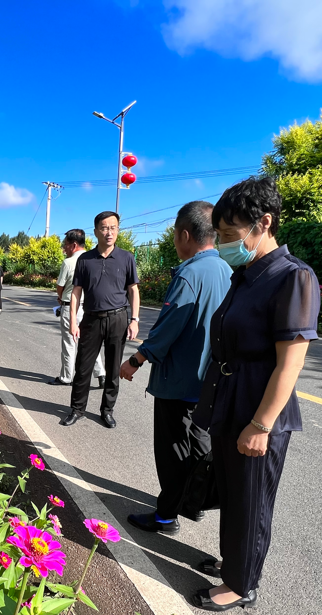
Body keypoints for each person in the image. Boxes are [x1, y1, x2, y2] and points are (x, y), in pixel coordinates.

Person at [190, 176, 320, 612]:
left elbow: (290, 364)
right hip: (229, 396)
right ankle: (234, 563)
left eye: (229, 236)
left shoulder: (292, 278)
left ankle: (243, 584)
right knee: (231, 490)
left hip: (257, 406)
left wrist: (261, 424)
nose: (225, 244)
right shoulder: (245, 275)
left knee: (251, 499)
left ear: (263, 224)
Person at [122, 202, 232, 535]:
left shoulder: (189, 272)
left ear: (185, 234)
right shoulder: (229, 271)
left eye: (174, 234)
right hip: (210, 381)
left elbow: (169, 326)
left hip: (180, 381)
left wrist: (137, 360)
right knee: (197, 444)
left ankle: (166, 516)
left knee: (173, 451)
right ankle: (193, 502)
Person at [61, 211, 139, 429]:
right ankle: (77, 409)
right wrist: (74, 322)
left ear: (117, 230)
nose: (109, 232)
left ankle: (107, 411)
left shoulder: (126, 258)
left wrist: (134, 319)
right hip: (91, 320)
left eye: (113, 227)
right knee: (83, 367)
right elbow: (76, 292)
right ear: (96, 231)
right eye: (104, 228)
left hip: (118, 319)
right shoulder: (85, 260)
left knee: (113, 369)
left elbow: (133, 290)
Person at [50, 228, 105, 387]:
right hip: (90, 308)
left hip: (71, 307)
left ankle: (66, 377)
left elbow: (60, 286)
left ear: (74, 245)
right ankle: (100, 374)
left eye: (66, 245)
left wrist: (60, 297)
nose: (64, 248)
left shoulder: (69, 262)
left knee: (69, 343)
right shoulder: (94, 258)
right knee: (89, 342)